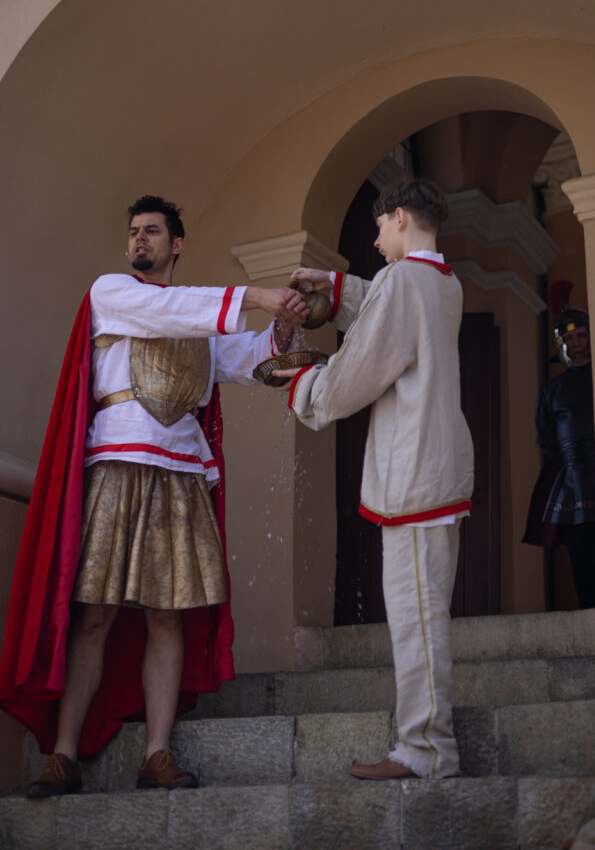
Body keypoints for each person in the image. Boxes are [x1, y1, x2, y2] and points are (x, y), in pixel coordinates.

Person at [0, 195, 307, 796]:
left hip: (181, 474)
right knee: (95, 614)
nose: (139, 239)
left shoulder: (198, 321)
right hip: (117, 464)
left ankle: (157, 754)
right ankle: (62, 756)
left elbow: (258, 361)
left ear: (177, 244)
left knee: (167, 616)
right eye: (134, 232)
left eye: (152, 231)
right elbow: (168, 310)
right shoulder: (112, 292)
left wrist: (287, 322)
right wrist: (256, 296)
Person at [275, 178, 474, 780]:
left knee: (417, 620)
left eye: (380, 225)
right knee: (423, 614)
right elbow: (391, 310)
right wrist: (338, 290)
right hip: (437, 470)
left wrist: (305, 388)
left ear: (400, 217)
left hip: (413, 475)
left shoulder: (403, 281)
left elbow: (361, 367)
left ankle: (427, 750)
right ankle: (426, 744)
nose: (376, 238)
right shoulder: (444, 283)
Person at [528, 303, 595, 609]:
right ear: (561, 345)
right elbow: (547, 439)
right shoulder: (550, 392)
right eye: (570, 339)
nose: (577, 343)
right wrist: (574, 461)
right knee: (581, 555)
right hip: (573, 483)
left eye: (582, 335)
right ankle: (589, 611)